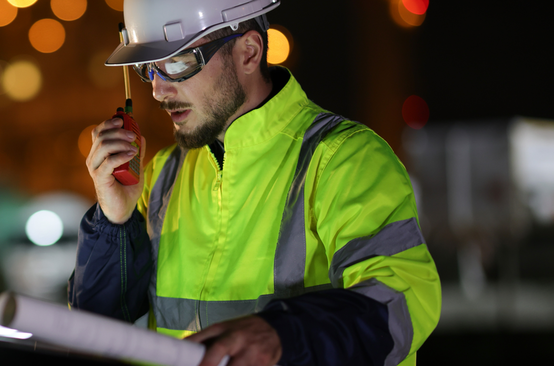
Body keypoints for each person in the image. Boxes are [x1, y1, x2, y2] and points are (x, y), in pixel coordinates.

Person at [67, 1, 441, 365]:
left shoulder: (345, 160)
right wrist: (114, 221)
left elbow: (404, 300)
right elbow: (95, 332)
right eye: (150, 68)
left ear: (248, 52)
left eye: (178, 63)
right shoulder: (163, 175)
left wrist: (282, 336)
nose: (158, 91)